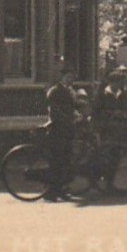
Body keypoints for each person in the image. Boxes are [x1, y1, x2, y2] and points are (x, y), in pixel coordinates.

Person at [43, 67, 79, 201]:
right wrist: (68, 119)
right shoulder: (55, 91)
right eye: (68, 77)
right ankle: (51, 191)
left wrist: (76, 115)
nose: (70, 80)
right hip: (58, 129)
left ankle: (61, 189)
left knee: (65, 160)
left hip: (67, 129)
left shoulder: (69, 91)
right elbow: (55, 111)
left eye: (72, 78)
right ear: (62, 78)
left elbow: (70, 108)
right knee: (57, 161)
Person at [92, 67, 127, 147]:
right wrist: (113, 113)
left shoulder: (122, 94)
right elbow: (96, 112)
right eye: (117, 83)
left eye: (120, 84)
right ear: (111, 82)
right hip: (105, 127)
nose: (118, 86)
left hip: (120, 128)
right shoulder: (102, 95)